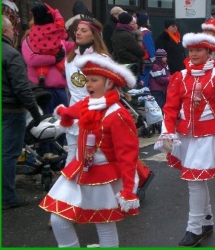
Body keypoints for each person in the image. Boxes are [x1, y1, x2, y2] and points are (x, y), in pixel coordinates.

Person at [39, 52, 140, 247]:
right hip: (78, 170)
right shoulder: (88, 104)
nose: (88, 85)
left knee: (103, 224)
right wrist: (64, 115)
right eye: (87, 80)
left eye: (94, 80)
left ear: (109, 83)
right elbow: (73, 110)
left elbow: (128, 155)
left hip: (102, 175)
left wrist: (129, 189)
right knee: (59, 219)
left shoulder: (118, 115)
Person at [154, 32, 215, 247]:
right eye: (191, 50)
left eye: (199, 50)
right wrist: (167, 131)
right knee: (196, 180)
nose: (194, 54)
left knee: (195, 181)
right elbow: (170, 107)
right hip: (186, 136)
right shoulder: (179, 76)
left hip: (208, 136)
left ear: (209, 53)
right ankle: (206, 221)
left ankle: (194, 228)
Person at [2, 15, 41, 209]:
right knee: (8, 155)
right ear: (5, 32)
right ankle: (7, 197)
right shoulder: (10, 53)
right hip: (10, 110)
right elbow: (21, 87)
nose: (13, 32)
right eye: (11, 30)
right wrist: (35, 111)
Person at [64, 17, 110, 165]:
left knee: (94, 159)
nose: (78, 33)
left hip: (95, 115)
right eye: (77, 30)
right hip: (74, 113)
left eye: (83, 30)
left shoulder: (102, 59)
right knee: (72, 155)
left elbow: (108, 89)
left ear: (93, 35)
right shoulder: (70, 58)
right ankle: (68, 187)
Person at [22, 3, 68, 87]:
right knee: (59, 62)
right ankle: (63, 70)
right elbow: (32, 59)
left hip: (60, 87)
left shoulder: (33, 33)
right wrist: (55, 58)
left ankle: (42, 75)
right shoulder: (56, 31)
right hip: (41, 90)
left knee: (42, 66)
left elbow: (69, 45)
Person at [111, 11, 145, 80]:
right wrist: (139, 38)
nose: (133, 24)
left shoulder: (116, 32)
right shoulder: (127, 35)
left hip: (121, 63)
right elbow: (140, 51)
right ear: (127, 22)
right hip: (131, 65)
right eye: (131, 22)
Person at [137, 12, 156, 86]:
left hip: (141, 59)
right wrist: (154, 59)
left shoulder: (138, 32)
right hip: (146, 59)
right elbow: (150, 47)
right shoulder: (146, 33)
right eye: (147, 20)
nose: (148, 21)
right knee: (146, 79)